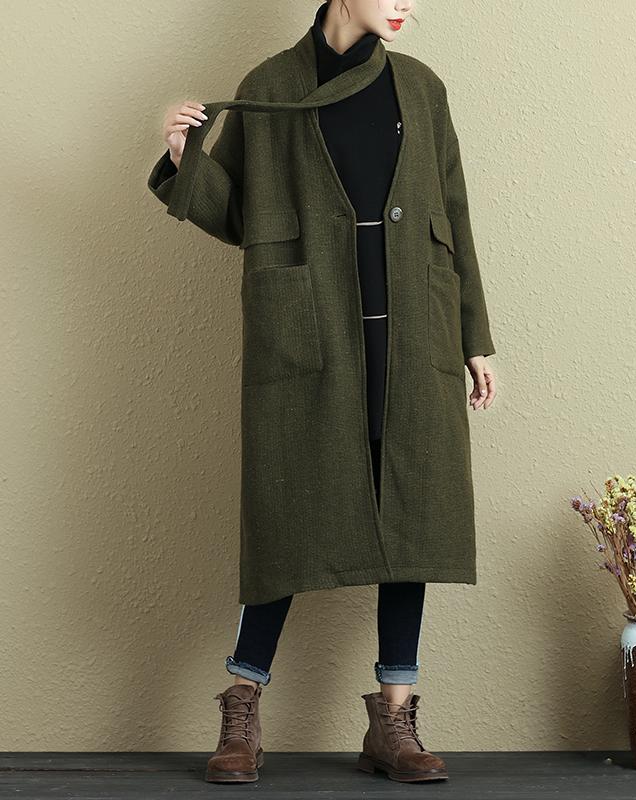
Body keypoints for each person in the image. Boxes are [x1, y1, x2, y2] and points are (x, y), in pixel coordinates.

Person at [147, 0, 497, 785]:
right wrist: (182, 158)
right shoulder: (269, 87)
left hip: (413, 332)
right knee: (288, 512)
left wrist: (473, 337)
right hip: (313, 334)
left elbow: (455, 213)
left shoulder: (422, 89)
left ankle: (394, 720)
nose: (407, 5)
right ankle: (242, 708)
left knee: (410, 513)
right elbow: (241, 215)